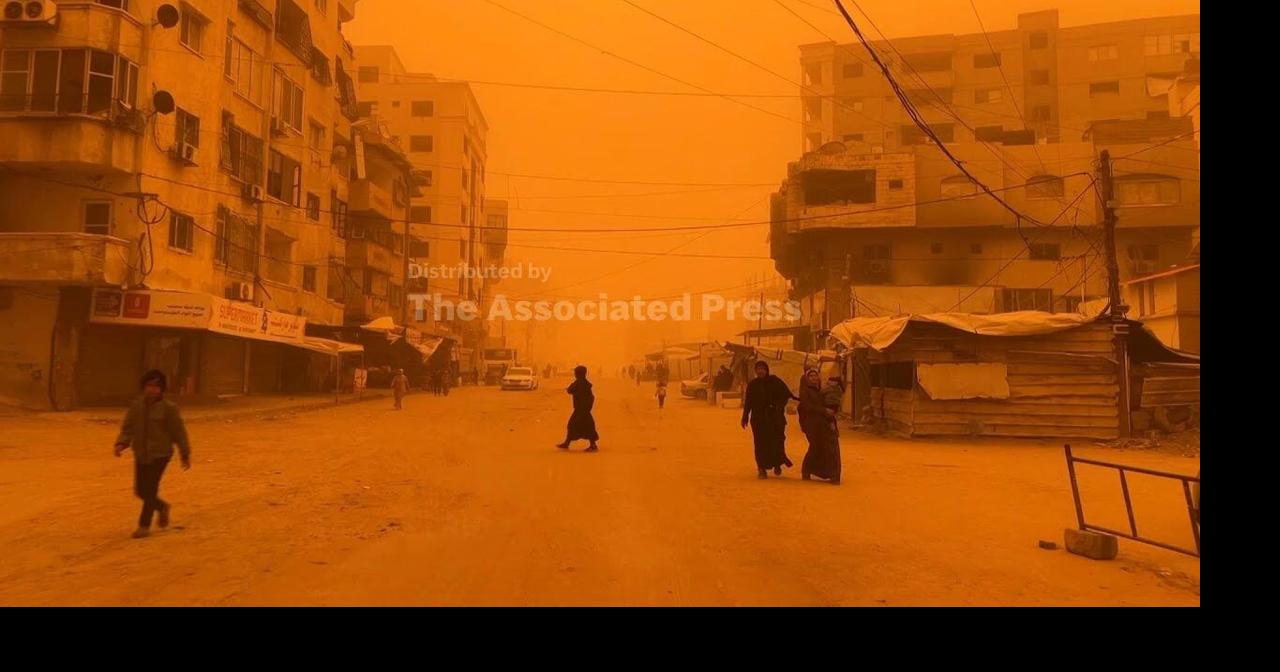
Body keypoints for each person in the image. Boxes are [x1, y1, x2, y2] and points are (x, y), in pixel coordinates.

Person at [113, 370, 192, 539]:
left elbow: (179, 432)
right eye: (149, 385)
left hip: (160, 454)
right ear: (144, 387)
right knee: (140, 490)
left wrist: (184, 453)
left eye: (156, 386)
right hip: (141, 453)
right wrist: (121, 443)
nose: (152, 390)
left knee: (150, 489)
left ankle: (144, 525)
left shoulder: (169, 409)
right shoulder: (136, 406)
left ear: (162, 389)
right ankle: (162, 507)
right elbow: (128, 428)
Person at [740, 360, 796, 479]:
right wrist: (745, 417)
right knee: (760, 444)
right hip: (759, 420)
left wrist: (778, 406)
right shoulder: (753, 384)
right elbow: (748, 402)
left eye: (763, 369)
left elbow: (786, 394)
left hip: (775, 418)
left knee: (777, 442)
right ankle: (761, 468)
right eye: (758, 369)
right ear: (756, 371)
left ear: (767, 370)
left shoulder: (775, 381)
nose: (760, 371)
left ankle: (777, 463)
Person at [798, 369, 841, 485]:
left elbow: (828, 405)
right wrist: (824, 410)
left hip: (823, 423)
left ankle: (832, 475)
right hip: (811, 424)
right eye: (811, 376)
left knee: (828, 448)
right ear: (807, 379)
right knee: (815, 447)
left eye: (815, 376)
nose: (814, 378)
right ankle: (806, 470)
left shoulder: (821, 391)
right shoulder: (805, 392)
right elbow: (807, 407)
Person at [557, 365, 599, 452]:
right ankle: (567, 443)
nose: (574, 374)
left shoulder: (579, 383)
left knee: (574, 426)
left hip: (581, 410)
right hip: (584, 410)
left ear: (579, 374)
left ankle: (592, 445)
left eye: (575, 373)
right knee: (586, 427)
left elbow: (570, 390)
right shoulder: (585, 383)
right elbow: (591, 397)